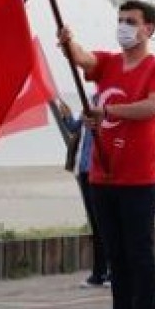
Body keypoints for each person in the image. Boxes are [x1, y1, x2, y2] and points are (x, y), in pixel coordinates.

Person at [61, 0, 155, 309]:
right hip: (102, 174)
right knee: (115, 256)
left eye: (131, 21)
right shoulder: (109, 63)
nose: (124, 26)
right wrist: (69, 43)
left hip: (139, 177)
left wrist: (107, 111)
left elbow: (154, 107)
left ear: (148, 28)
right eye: (120, 20)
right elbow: (83, 59)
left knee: (139, 254)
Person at [57, 100, 109, 288]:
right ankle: (99, 273)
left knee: (105, 224)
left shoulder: (108, 99)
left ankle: (110, 272)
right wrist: (67, 116)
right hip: (85, 170)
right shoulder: (93, 99)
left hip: (101, 170)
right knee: (96, 224)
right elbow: (76, 128)